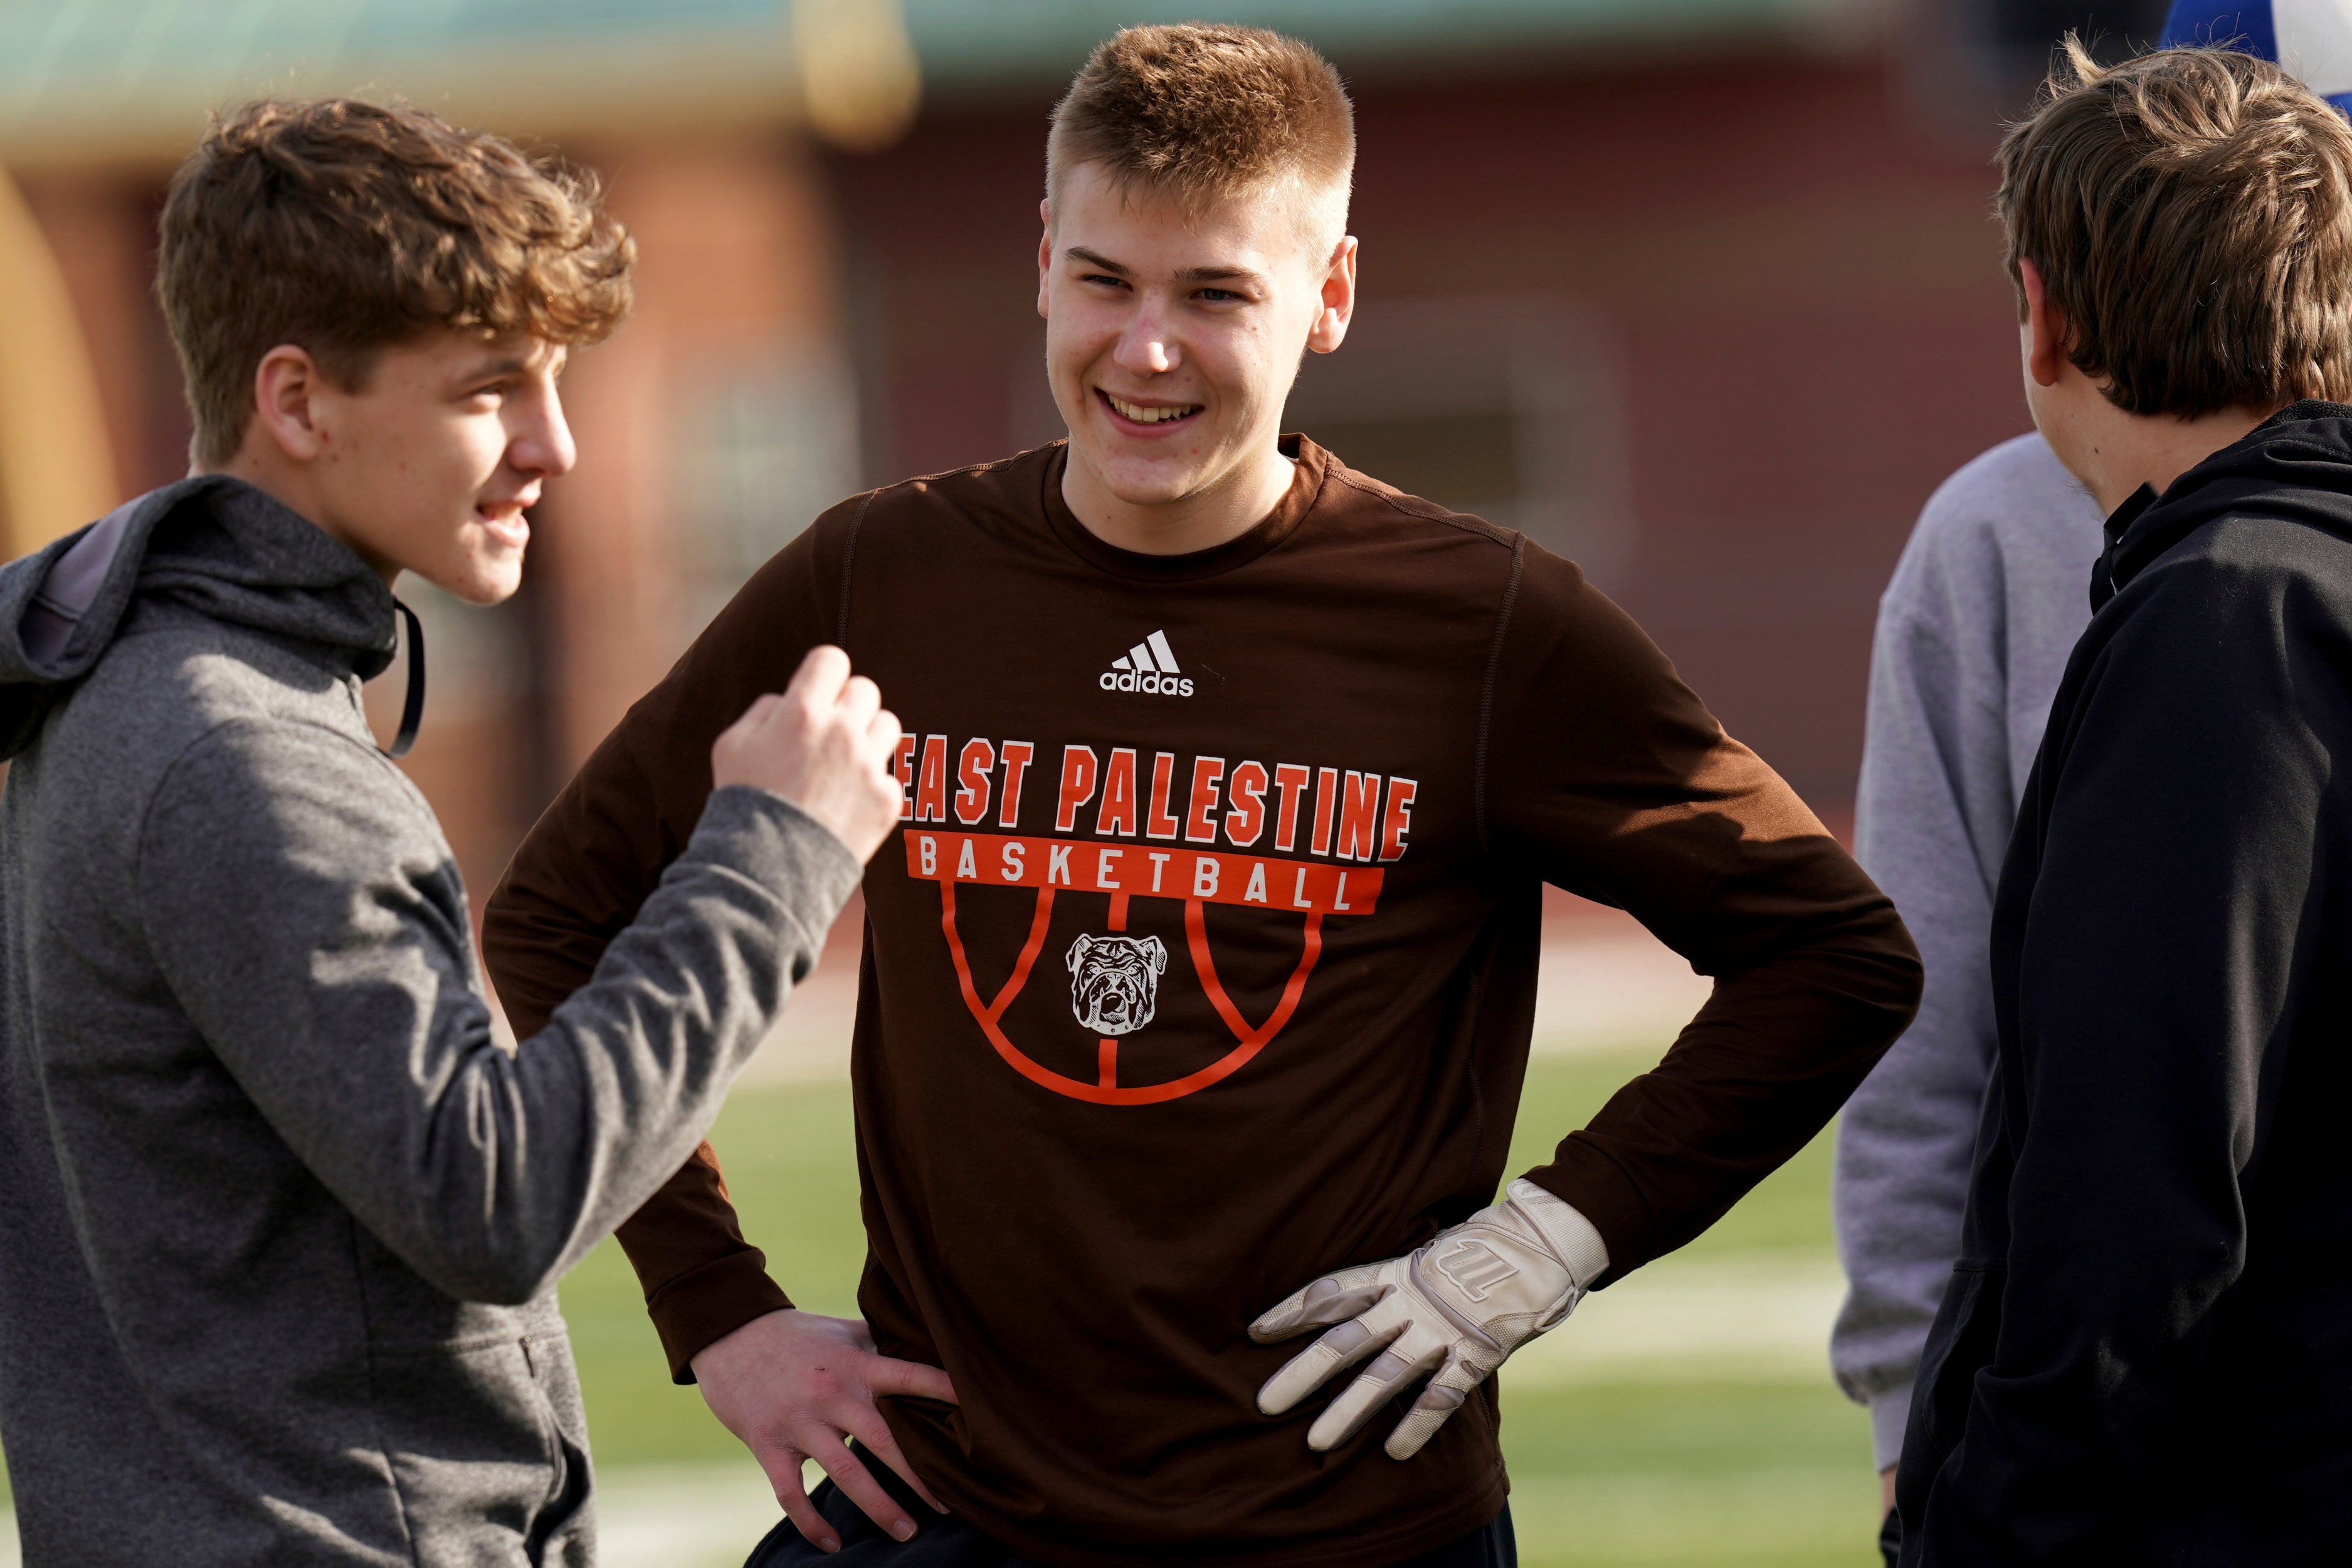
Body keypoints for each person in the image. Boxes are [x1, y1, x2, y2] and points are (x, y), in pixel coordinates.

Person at [484, 24, 1923, 1567]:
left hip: (1349, 1525)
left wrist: (1540, 1244)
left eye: (1216, 293)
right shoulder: (881, 578)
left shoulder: (1486, 624)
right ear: (1041, 263)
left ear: (1332, 294)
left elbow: (1833, 958)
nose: (1145, 348)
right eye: (1104, 279)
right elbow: (562, 913)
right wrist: (723, 1311)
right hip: (950, 1506)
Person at [0, 100, 903, 1565]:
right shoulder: (238, 754)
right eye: (493, 389)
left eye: (553, 383)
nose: (552, 444)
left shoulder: (125, 689)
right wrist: (777, 853)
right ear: (298, 403)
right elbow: (494, 1197)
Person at [1838, 8, 2352, 1557]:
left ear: (2040, 317)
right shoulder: (2075, 548)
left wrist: (1987, 1516)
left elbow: (2138, 1179)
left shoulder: (2223, 611)